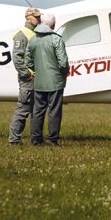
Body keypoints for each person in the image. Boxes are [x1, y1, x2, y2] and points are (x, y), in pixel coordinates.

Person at [24, 11, 70, 146]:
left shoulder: (33, 39)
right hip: (55, 81)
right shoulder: (56, 39)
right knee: (54, 111)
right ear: (53, 25)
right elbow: (63, 63)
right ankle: (53, 139)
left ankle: (36, 139)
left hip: (39, 82)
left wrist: (37, 71)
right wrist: (64, 72)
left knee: (38, 111)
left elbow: (28, 61)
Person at [8, 7, 41, 145]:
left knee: (36, 110)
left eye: (39, 17)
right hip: (28, 79)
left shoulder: (35, 33)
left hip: (36, 78)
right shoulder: (22, 35)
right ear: (28, 18)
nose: (39, 19)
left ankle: (35, 140)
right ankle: (14, 140)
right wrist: (26, 74)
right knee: (23, 109)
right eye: (36, 17)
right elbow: (17, 57)